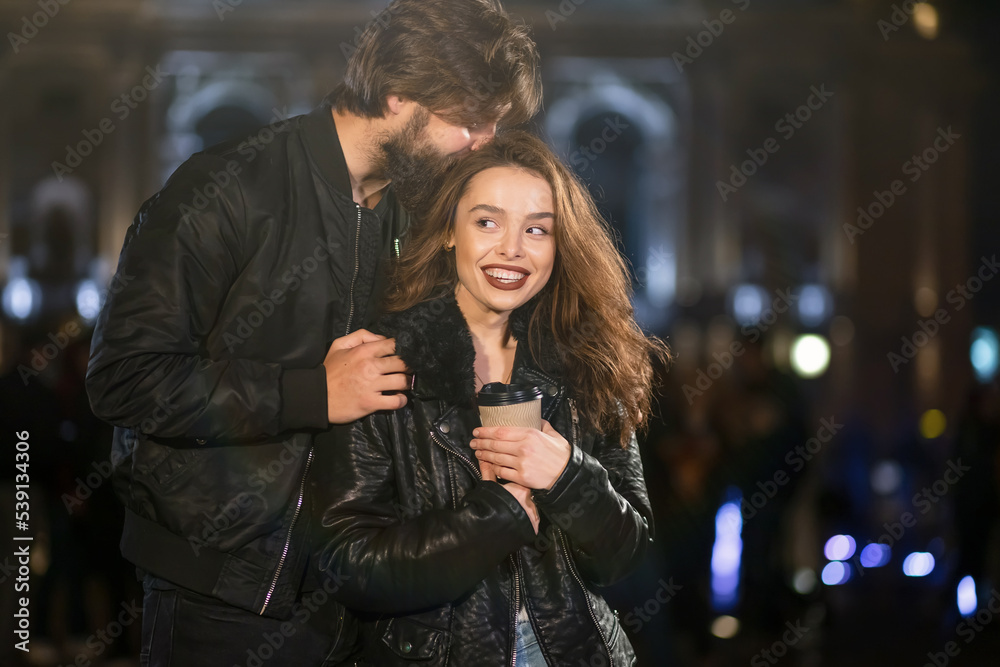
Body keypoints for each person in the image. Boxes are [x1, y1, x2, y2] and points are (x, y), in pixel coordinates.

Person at [84, 1, 541, 664]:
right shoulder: (227, 188)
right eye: (470, 120)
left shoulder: (415, 216)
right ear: (398, 93)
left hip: (363, 593)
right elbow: (124, 376)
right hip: (222, 593)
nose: (483, 142)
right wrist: (311, 392)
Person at [312, 131, 670, 666]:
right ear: (448, 231)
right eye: (487, 222)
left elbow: (627, 555)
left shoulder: (588, 362)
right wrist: (495, 517)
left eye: (537, 229)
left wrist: (568, 476)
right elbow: (347, 566)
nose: (512, 249)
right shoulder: (385, 362)